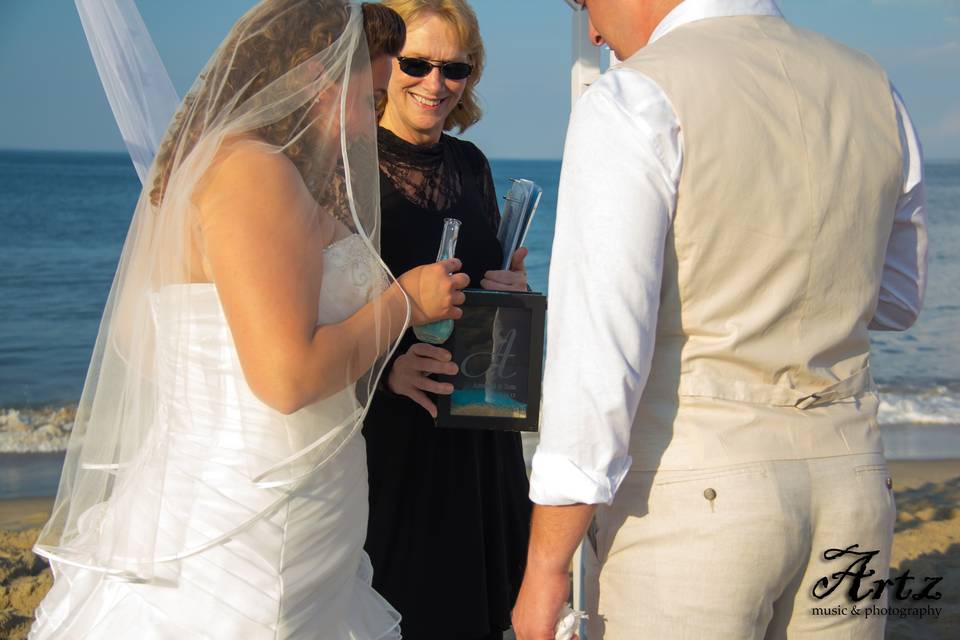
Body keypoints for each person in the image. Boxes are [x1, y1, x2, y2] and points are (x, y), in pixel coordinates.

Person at [31, 2, 470, 638]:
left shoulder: (233, 165)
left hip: (270, 507)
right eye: (368, 95)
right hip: (255, 525)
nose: (371, 118)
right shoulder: (254, 174)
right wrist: (404, 301)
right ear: (317, 78)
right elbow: (287, 379)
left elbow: (143, 339)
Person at [512, 1, 927, 639]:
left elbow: (596, 363)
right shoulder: (873, 86)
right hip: (853, 479)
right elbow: (898, 297)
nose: (591, 30)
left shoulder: (637, 95)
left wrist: (544, 568)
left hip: (693, 495)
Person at [361, 1, 532, 638]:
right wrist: (387, 368)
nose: (435, 83)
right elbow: (313, 309)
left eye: (454, 69)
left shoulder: (472, 166)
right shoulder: (349, 165)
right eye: (416, 63)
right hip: (392, 434)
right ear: (383, 63)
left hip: (483, 434)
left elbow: (485, 291)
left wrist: (514, 288)